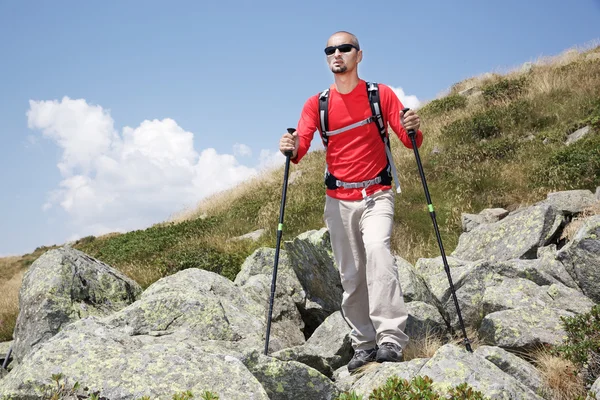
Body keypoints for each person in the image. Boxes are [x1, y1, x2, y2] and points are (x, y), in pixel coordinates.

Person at [278, 31, 423, 373]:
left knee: (378, 251)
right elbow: (300, 147)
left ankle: (390, 339)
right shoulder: (317, 104)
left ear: (359, 55)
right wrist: (289, 145)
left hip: (377, 193)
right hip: (337, 199)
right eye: (331, 50)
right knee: (352, 274)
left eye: (345, 48)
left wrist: (413, 127)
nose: (337, 54)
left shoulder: (379, 94)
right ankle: (364, 344)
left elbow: (407, 138)